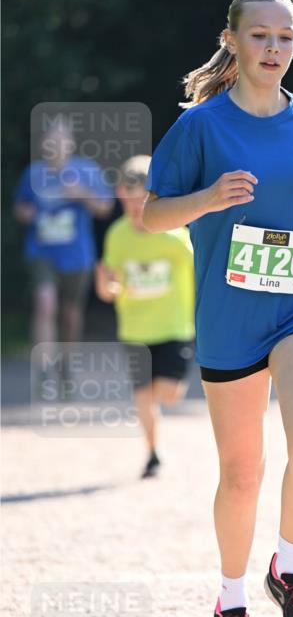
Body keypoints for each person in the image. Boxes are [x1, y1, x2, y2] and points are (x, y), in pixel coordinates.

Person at [142, 0, 293, 617]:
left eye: (285, 37)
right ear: (232, 40)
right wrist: (207, 198)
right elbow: (151, 215)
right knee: (243, 470)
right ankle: (231, 609)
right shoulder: (201, 126)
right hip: (231, 316)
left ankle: (289, 571)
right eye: (261, 35)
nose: (274, 48)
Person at [95, 155, 196, 479]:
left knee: (167, 394)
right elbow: (108, 288)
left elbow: (201, 272)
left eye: (143, 200)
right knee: (142, 398)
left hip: (174, 328)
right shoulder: (117, 235)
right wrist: (106, 286)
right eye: (129, 201)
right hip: (135, 330)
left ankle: (155, 417)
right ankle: (153, 454)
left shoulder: (175, 235)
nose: (136, 208)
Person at [13, 117, 114, 368]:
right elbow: (20, 208)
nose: (56, 144)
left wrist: (81, 194)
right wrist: (25, 213)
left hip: (77, 255)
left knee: (70, 314)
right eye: (51, 139)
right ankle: (44, 368)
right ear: (44, 143)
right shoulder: (33, 174)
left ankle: (66, 365)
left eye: (61, 139)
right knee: (45, 304)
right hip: (41, 251)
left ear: (70, 143)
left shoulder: (86, 171)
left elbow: (105, 208)